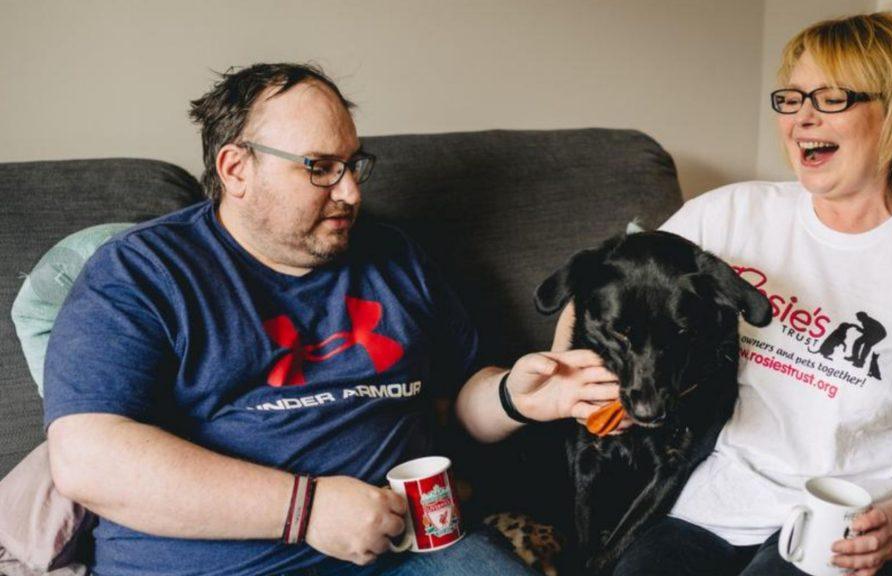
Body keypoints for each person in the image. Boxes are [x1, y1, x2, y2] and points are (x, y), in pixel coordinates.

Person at [43, 63, 621, 576]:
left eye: (353, 165)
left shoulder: (395, 256)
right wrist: (307, 509)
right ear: (236, 169)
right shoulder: (144, 271)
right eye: (320, 167)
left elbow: (457, 405)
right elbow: (87, 457)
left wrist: (515, 396)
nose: (350, 192)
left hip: (411, 549)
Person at [555, 13, 892, 576]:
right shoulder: (728, 215)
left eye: (831, 98)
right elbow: (603, 289)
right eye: (792, 97)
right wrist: (585, 384)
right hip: (705, 508)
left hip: (841, 526)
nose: (802, 117)